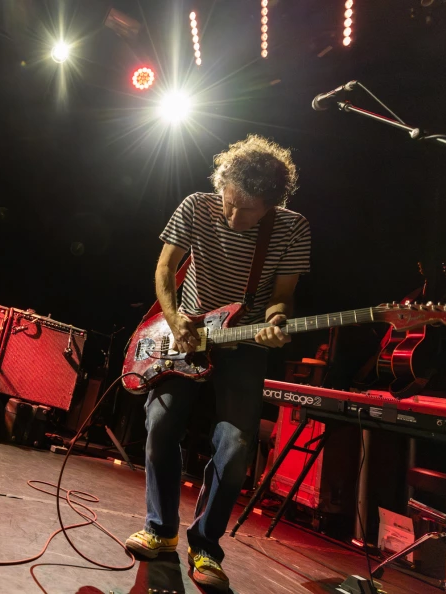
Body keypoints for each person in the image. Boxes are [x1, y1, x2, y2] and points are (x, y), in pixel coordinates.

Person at [124, 135, 311, 591]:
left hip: (244, 343)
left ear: (272, 203)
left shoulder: (293, 228)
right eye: (229, 203)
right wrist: (176, 322)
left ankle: (206, 545)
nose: (233, 217)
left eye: (247, 211)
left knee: (235, 450)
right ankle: (161, 529)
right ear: (221, 184)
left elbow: (282, 298)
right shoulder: (195, 206)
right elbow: (165, 269)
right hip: (184, 334)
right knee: (161, 425)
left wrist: (277, 320)